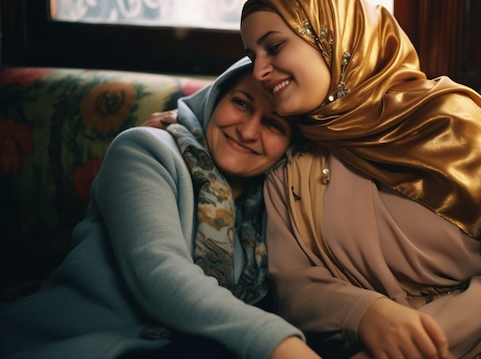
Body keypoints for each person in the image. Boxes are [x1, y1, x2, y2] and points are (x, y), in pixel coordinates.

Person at [239, 0, 481, 359]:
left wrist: (412, 341)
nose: (259, 71)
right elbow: (295, 290)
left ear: (333, 35)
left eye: (273, 47)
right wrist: (366, 315)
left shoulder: (446, 122)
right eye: (251, 57)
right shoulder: (290, 160)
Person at [0, 57, 321, 359]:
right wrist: (279, 344)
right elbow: (160, 273)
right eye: (240, 102)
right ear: (215, 97)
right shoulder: (145, 149)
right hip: (84, 343)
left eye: (274, 124)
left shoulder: (272, 206)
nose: (248, 131)